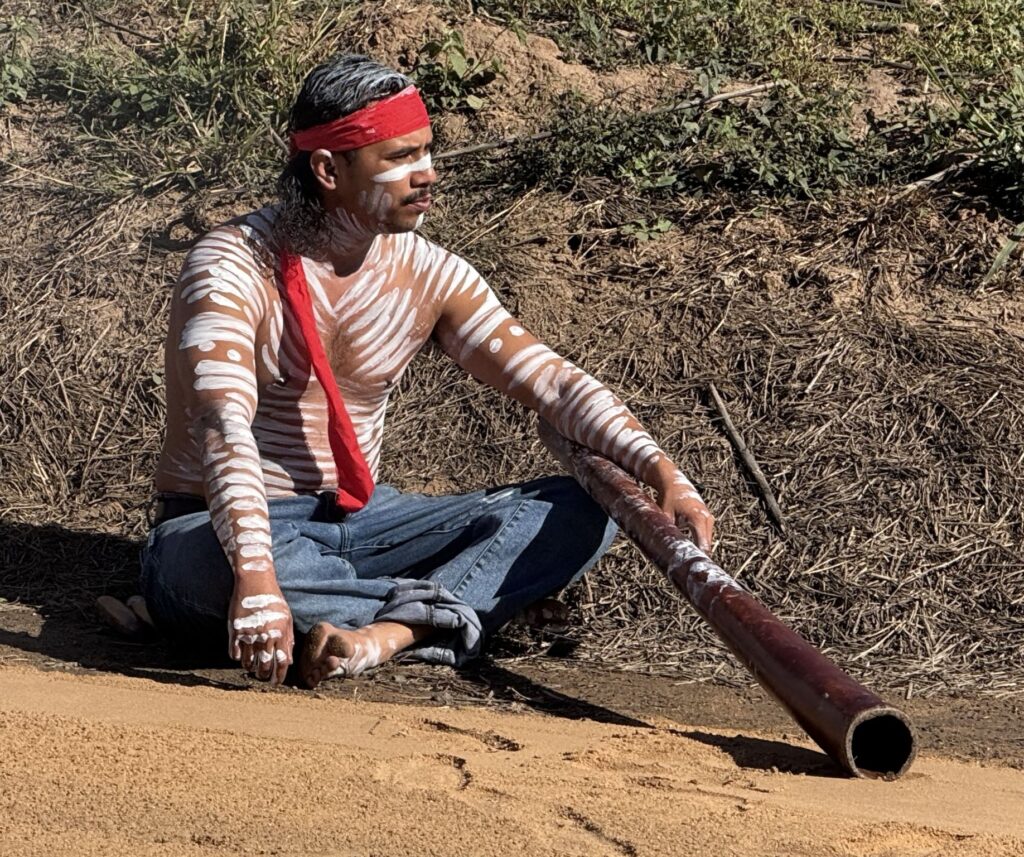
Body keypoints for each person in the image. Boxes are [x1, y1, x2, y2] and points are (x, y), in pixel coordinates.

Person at [133, 54, 714, 689]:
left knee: (581, 508)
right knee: (200, 570)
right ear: (328, 170)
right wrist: (255, 577)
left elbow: (551, 382)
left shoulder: (432, 275)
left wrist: (663, 472)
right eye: (400, 157)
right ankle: (454, 612)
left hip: (362, 522)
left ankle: (385, 633)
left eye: (427, 151)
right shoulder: (230, 266)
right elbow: (221, 424)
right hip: (224, 530)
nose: (427, 173)